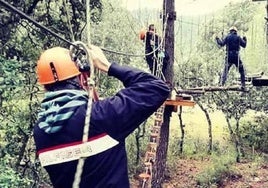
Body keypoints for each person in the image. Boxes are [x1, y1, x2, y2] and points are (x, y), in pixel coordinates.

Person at [33, 45, 170, 188]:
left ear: (45, 87)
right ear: (81, 78)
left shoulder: (40, 132)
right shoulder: (101, 116)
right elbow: (156, 87)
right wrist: (107, 66)